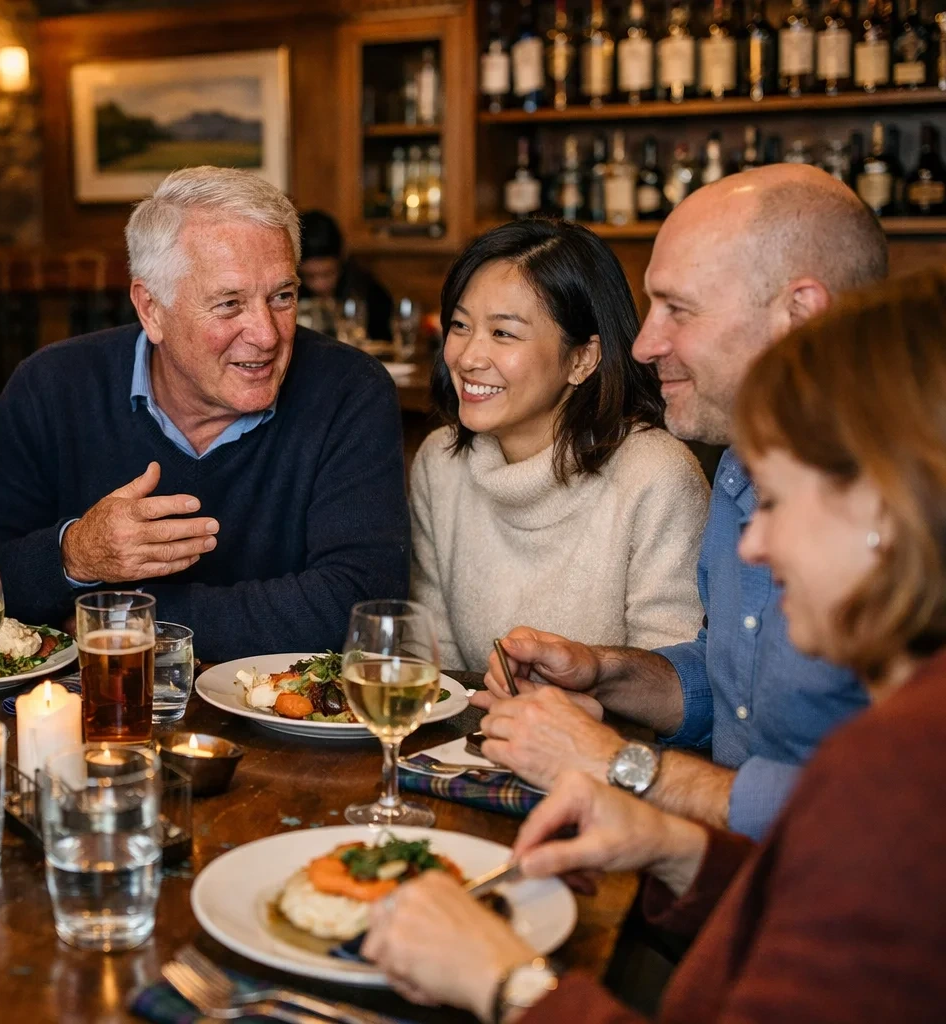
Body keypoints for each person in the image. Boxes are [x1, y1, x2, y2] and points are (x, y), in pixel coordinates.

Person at [362, 267, 946, 1024]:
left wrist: (509, 983)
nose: (755, 543)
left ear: (886, 508)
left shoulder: (902, 760)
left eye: (777, 500)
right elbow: (834, 902)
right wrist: (682, 851)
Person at [473, 165, 886, 839]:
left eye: (678, 310)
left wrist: (625, 765)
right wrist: (607, 673)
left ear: (802, 314)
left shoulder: (913, 502)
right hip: (714, 879)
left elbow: (890, 814)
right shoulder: (739, 469)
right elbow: (732, 689)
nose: (642, 345)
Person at [0, 168, 410, 662]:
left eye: (282, 297)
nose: (269, 335)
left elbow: (361, 606)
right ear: (151, 309)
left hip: (286, 729)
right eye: (229, 304)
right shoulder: (52, 385)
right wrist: (75, 554)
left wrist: (114, 618)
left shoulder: (349, 390)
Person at [410, 220, 707, 671]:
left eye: (503, 333)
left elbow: (671, 678)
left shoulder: (655, 476)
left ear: (583, 358)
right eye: (460, 325)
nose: (468, 357)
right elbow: (435, 664)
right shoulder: (441, 461)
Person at [297, 209, 393, 341]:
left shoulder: (370, 294)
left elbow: (385, 343)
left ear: (342, 260)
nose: (319, 285)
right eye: (309, 276)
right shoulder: (291, 295)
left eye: (328, 273)